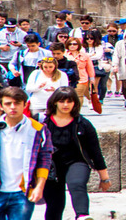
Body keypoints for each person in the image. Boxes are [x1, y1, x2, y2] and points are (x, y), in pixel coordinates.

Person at [43, 87, 111, 220]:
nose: (66, 105)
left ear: (75, 103)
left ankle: (82, 215)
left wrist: (104, 178)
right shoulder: (43, 123)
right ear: (55, 102)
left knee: (76, 183)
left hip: (77, 162)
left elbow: (95, 152)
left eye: (69, 101)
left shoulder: (83, 124)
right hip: (51, 166)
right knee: (54, 205)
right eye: (62, 101)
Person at [0, 87, 53, 220]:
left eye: (17, 103)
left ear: (25, 104)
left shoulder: (38, 129)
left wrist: (39, 187)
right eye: (8, 103)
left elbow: (45, 159)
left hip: (22, 193)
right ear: (0, 106)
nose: (13, 107)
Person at [65, 37, 95, 107]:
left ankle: (77, 111)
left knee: (79, 95)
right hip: (68, 79)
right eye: (70, 44)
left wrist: (92, 78)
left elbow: (89, 68)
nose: (72, 46)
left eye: (75, 44)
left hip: (81, 78)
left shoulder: (84, 55)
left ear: (78, 45)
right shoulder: (64, 55)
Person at [0, 18, 27, 87]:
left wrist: (20, 45)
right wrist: (0, 47)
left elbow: (29, 47)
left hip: (16, 61)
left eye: (12, 27)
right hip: (3, 60)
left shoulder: (23, 34)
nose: (10, 29)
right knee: (3, 80)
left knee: (15, 80)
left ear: (16, 26)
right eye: (8, 27)